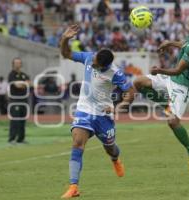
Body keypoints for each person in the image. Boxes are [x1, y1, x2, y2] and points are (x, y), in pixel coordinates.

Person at [133, 9, 189, 175]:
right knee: (138, 82)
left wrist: (159, 70)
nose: (188, 22)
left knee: (173, 122)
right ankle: (166, 106)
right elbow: (185, 44)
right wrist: (170, 43)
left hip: (183, 85)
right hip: (173, 80)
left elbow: (177, 70)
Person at [60, 24, 134, 199]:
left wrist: (117, 108)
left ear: (105, 66)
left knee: (110, 149)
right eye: (93, 61)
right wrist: (65, 39)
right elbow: (66, 54)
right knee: (78, 142)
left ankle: (115, 160)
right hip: (84, 109)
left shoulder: (115, 73)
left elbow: (130, 94)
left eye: (96, 64)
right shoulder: (88, 57)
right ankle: (73, 186)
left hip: (103, 114)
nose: (92, 64)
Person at [8, 58, 30, 144]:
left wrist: (23, 84)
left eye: (19, 63)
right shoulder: (11, 75)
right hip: (15, 100)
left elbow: (29, 83)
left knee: (22, 120)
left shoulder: (24, 75)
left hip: (24, 100)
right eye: (16, 63)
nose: (18, 65)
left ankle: (21, 138)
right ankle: (12, 138)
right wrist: (24, 84)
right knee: (15, 120)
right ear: (13, 64)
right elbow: (17, 86)